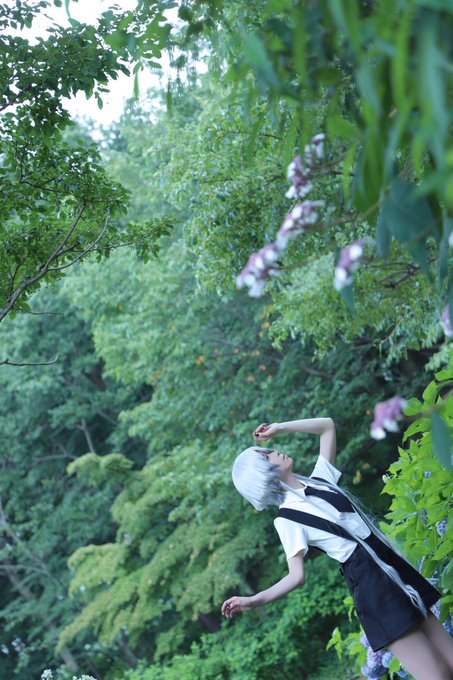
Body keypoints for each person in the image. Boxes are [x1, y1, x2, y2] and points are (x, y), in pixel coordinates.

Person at [221, 418, 453, 680]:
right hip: (372, 587)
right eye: (266, 456)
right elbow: (296, 576)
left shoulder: (321, 481)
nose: (275, 451)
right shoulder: (286, 520)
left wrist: (280, 427)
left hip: (390, 565)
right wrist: (255, 600)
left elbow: (328, 426)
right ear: (263, 474)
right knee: (438, 675)